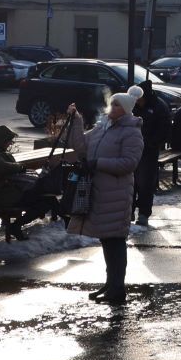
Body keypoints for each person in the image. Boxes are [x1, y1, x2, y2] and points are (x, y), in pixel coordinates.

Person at [59, 86, 145, 304]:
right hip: (101, 194)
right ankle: (111, 284)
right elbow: (80, 146)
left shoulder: (132, 132)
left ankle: (117, 290)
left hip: (116, 195)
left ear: (126, 110)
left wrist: (98, 163)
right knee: (108, 242)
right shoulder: (102, 128)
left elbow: (129, 163)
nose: (112, 107)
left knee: (115, 242)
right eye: (112, 103)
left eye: (117, 104)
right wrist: (76, 120)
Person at [132, 88, 172, 230]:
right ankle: (129, 213)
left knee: (145, 183)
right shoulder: (136, 105)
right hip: (132, 150)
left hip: (148, 151)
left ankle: (143, 214)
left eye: (138, 100)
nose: (136, 103)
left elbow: (165, 129)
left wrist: (151, 143)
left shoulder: (159, 107)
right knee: (131, 182)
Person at [0, 124, 30, 238]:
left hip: (10, 192)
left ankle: (16, 226)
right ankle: (16, 226)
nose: (10, 144)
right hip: (3, 195)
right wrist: (19, 167)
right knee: (42, 199)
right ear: (1, 140)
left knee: (46, 198)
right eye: (9, 141)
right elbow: (1, 166)